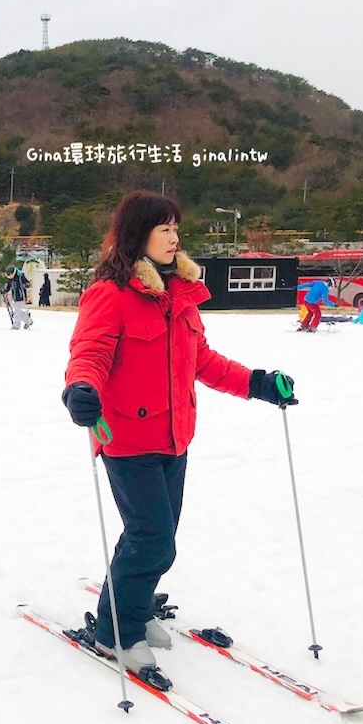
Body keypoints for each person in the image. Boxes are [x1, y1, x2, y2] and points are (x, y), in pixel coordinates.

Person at [61, 190, 297, 681]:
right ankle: (116, 632)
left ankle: (138, 605)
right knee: (152, 539)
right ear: (138, 234)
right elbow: (90, 351)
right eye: (164, 228)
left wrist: (256, 383)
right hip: (125, 435)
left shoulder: (179, 295)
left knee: (157, 537)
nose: (174, 237)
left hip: (174, 437)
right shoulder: (111, 293)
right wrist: (80, 388)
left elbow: (203, 362)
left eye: (175, 228)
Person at [4, 264, 32, 330]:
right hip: (15, 296)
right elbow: (9, 286)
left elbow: (27, 283)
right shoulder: (11, 279)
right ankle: (28, 320)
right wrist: (5, 291)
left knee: (17, 311)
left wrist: (25, 285)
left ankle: (16, 325)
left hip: (21, 296)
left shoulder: (20, 276)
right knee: (18, 311)